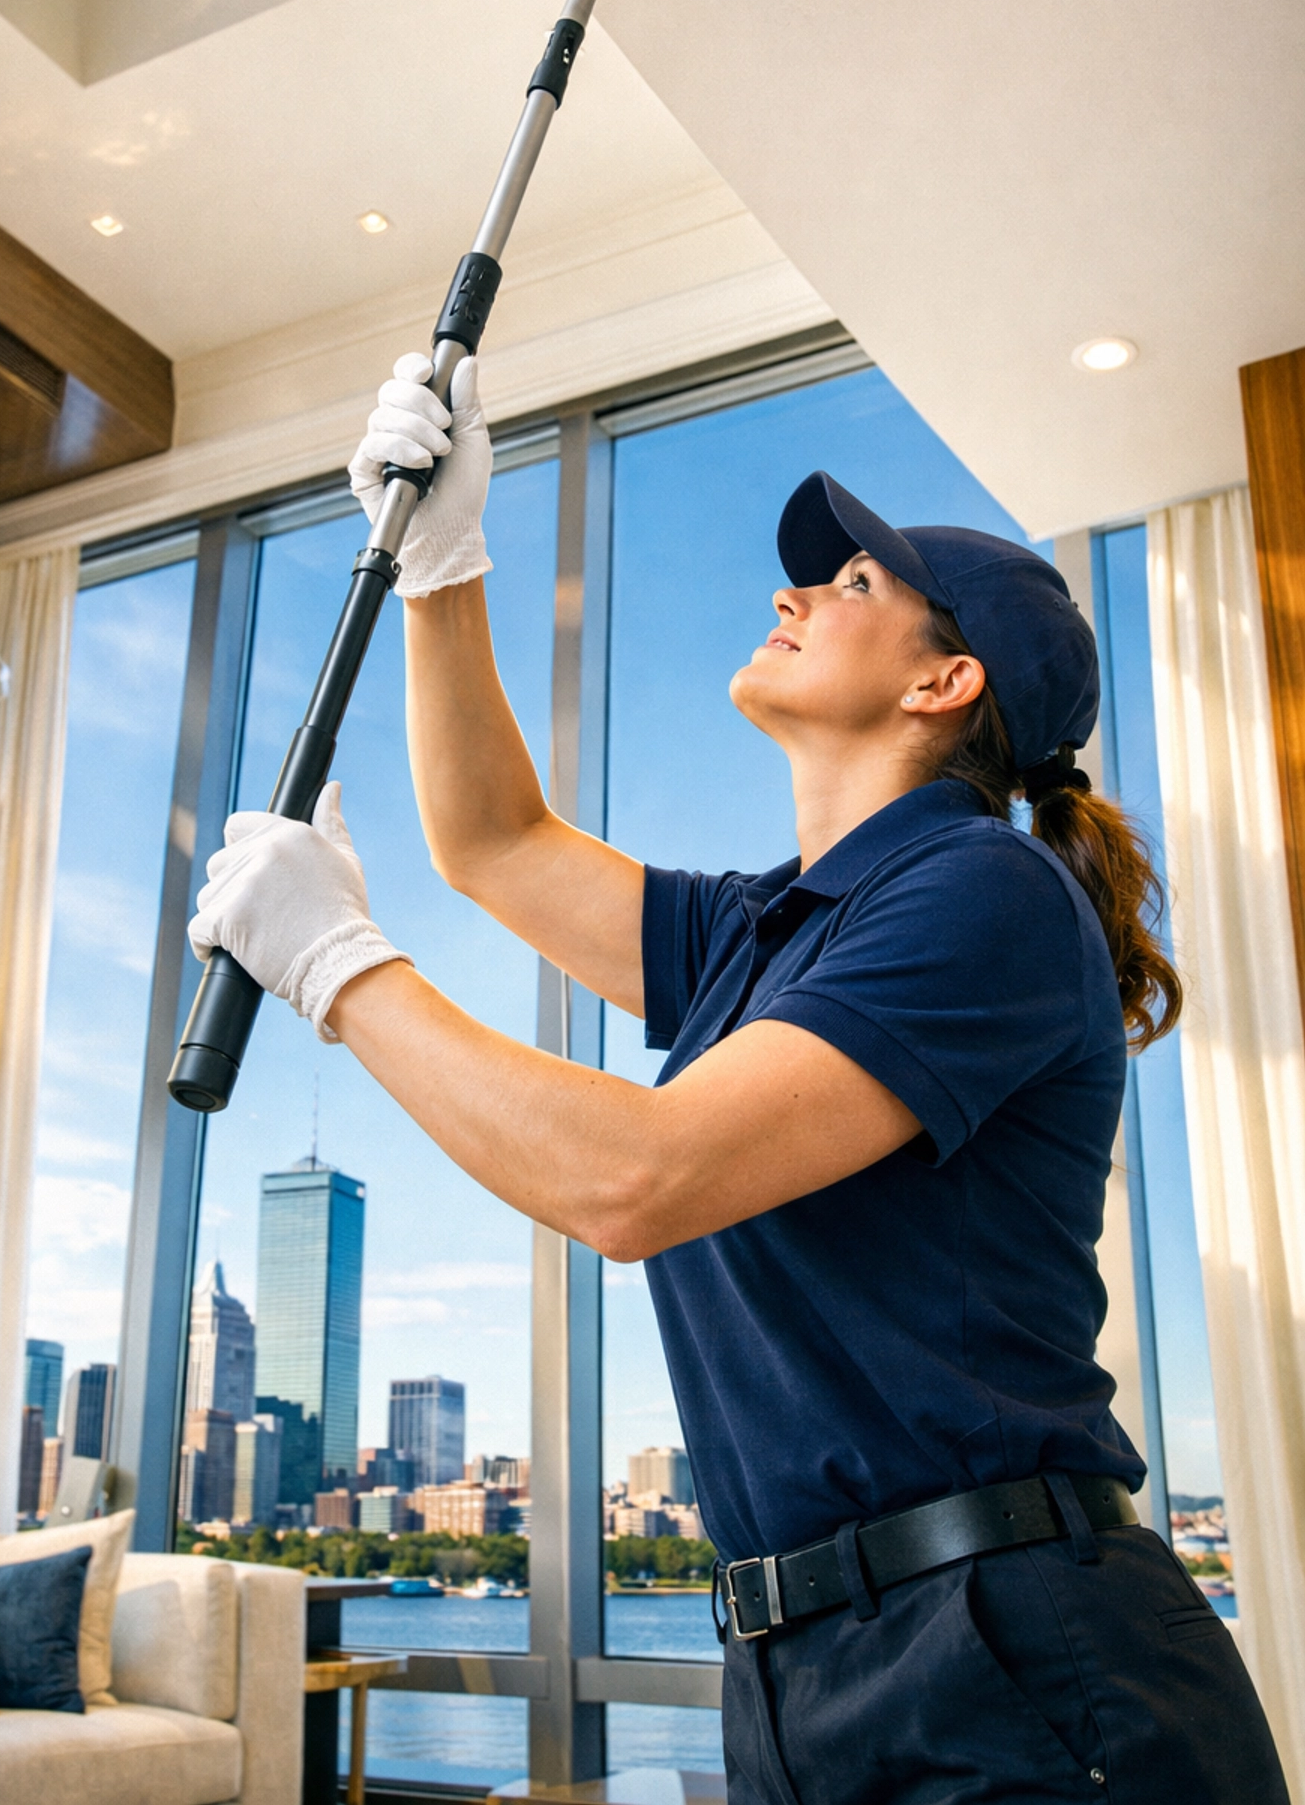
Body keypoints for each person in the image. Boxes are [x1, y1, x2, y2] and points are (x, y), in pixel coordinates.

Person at [191, 354, 1287, 1805]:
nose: (795, 592)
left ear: (943, 682)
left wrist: (337, 967)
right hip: (799, 1668)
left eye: (852, 585)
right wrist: (447, 564)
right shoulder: (762, 930)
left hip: (1009, 1659)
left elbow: (635, 1176)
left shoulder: (988, 889)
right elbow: (496, 841)